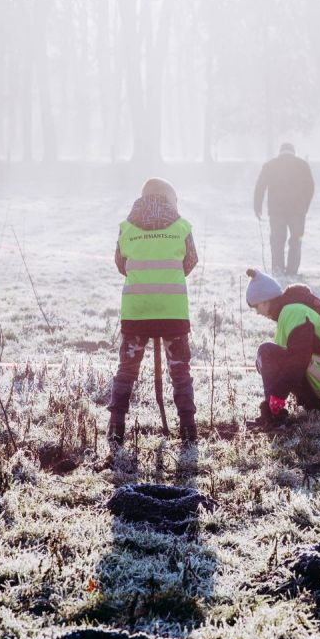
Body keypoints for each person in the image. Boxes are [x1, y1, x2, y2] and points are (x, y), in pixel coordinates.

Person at [108, 178, 199, 446]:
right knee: (180, 371)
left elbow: (120, 264)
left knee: (126, 369)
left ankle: (116, 429)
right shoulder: (182, 227)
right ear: (170, 199)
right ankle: (188, 430)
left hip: (137, 312)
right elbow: (190, 261)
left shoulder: (127, 228)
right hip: (172, 313)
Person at [244, 268, 320, 430]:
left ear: (265, 301)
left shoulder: (293, 312)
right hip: (318, 372)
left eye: (256, 307)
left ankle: (274, 415)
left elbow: (299, 359)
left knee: (266, 352)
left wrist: (277, 396)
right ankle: (315, 406)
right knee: (265, 358)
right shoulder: (288, 313)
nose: (257, 313)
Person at [253, 142, 314, 277]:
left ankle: (277, 270)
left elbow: (260, 186)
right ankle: (292, 271)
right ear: (293, 151)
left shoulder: (270, 165)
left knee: (277, 241)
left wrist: (257, 206)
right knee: (296, 241)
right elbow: (310, 187)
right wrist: (305, 206)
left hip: (276, 211)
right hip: (298, 212)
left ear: (280, 151)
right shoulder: (302, 165)